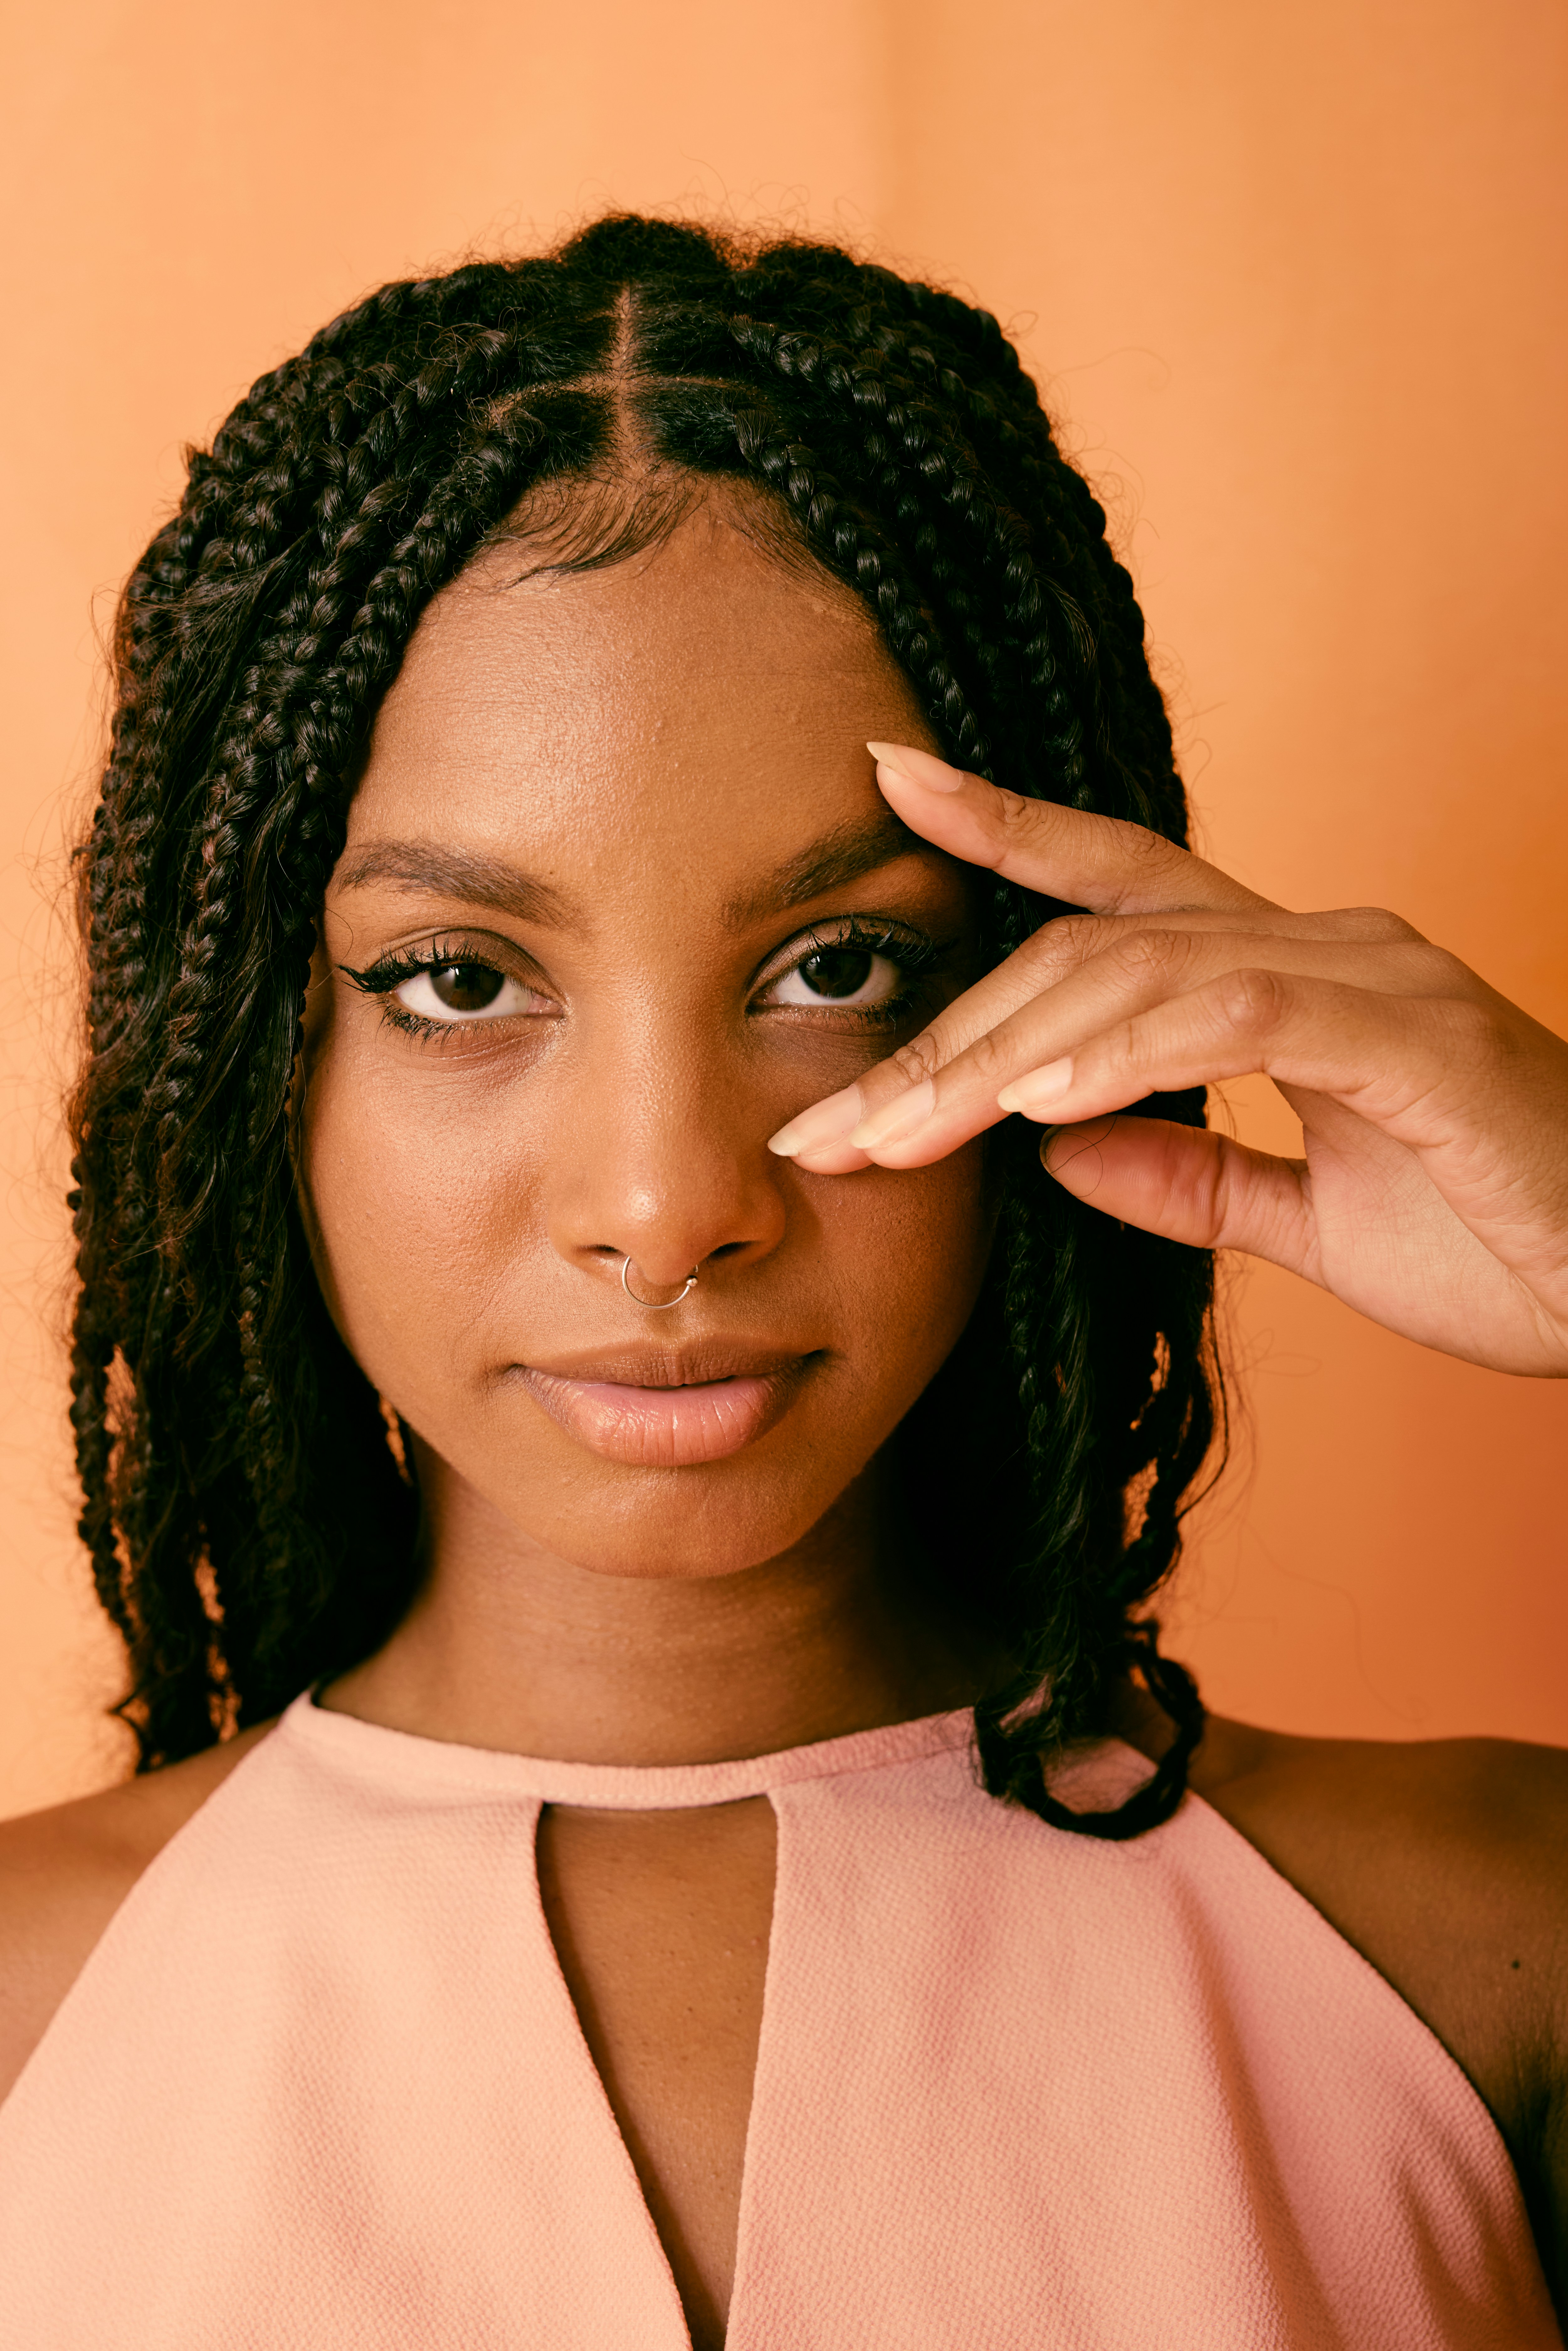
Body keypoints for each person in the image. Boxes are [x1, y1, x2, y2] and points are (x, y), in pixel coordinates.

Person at [0, 213, 1562, 2349]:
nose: (669, 1203)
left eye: (837, 970)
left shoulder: (1499, 1950)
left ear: (1067, 986)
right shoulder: (23, 2033)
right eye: (458, 980)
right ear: (243, 1057)